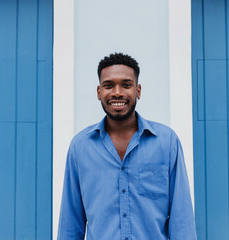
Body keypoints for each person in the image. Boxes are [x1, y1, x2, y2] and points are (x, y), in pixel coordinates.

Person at [57, 53, 197, 240]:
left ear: (138, 90)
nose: (117, 92)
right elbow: (70, 223)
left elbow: (182, 219)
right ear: (99, 92)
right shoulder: (80, 147)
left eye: (126, 85)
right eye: (108, 85)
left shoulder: (166, 142)